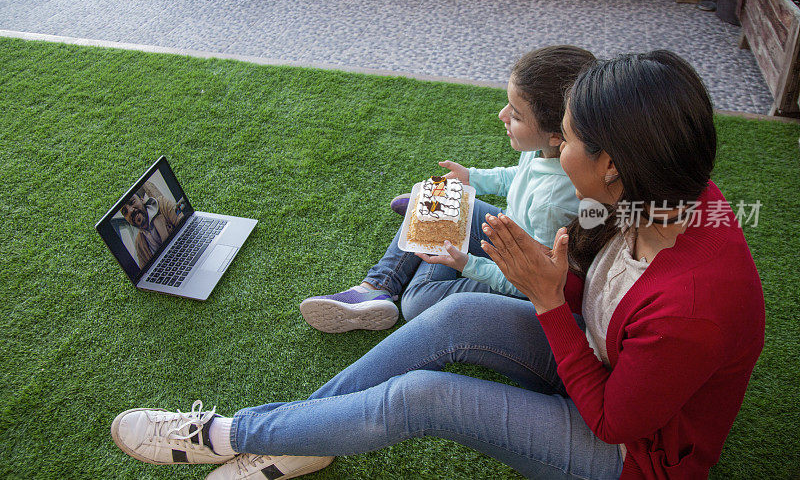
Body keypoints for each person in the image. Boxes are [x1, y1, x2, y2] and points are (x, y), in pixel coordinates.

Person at [110, 50, 765, 479]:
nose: (555, 150)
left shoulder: (693, 305)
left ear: (612, 165)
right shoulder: (653, 190)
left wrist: (544, 298)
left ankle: (224, 432)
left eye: (565, 139)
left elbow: (611, 420)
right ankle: (298, 438)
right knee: (455, 310)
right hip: (598, 357)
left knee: (428, 395)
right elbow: (592, 289)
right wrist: (550, 281)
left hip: (629, 454)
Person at [299, 45, 596, 332]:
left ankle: (424, 230)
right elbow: (520, 176)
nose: (502, 115)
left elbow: (533, 282)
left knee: (418, 301)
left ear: (558, 134)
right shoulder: (546, 149)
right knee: (438, 203)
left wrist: (467, 264)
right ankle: (376, 286)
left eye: (516, 115)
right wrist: (472, 177)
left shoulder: (551, 204)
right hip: (510, 236)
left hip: (518, 281)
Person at [119, 183, 183, 266]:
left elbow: (185, 222)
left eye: (132, 202)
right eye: (125, 212)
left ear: (142, 200)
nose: (130, 211)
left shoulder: (163, 204)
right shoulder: (139, 242)